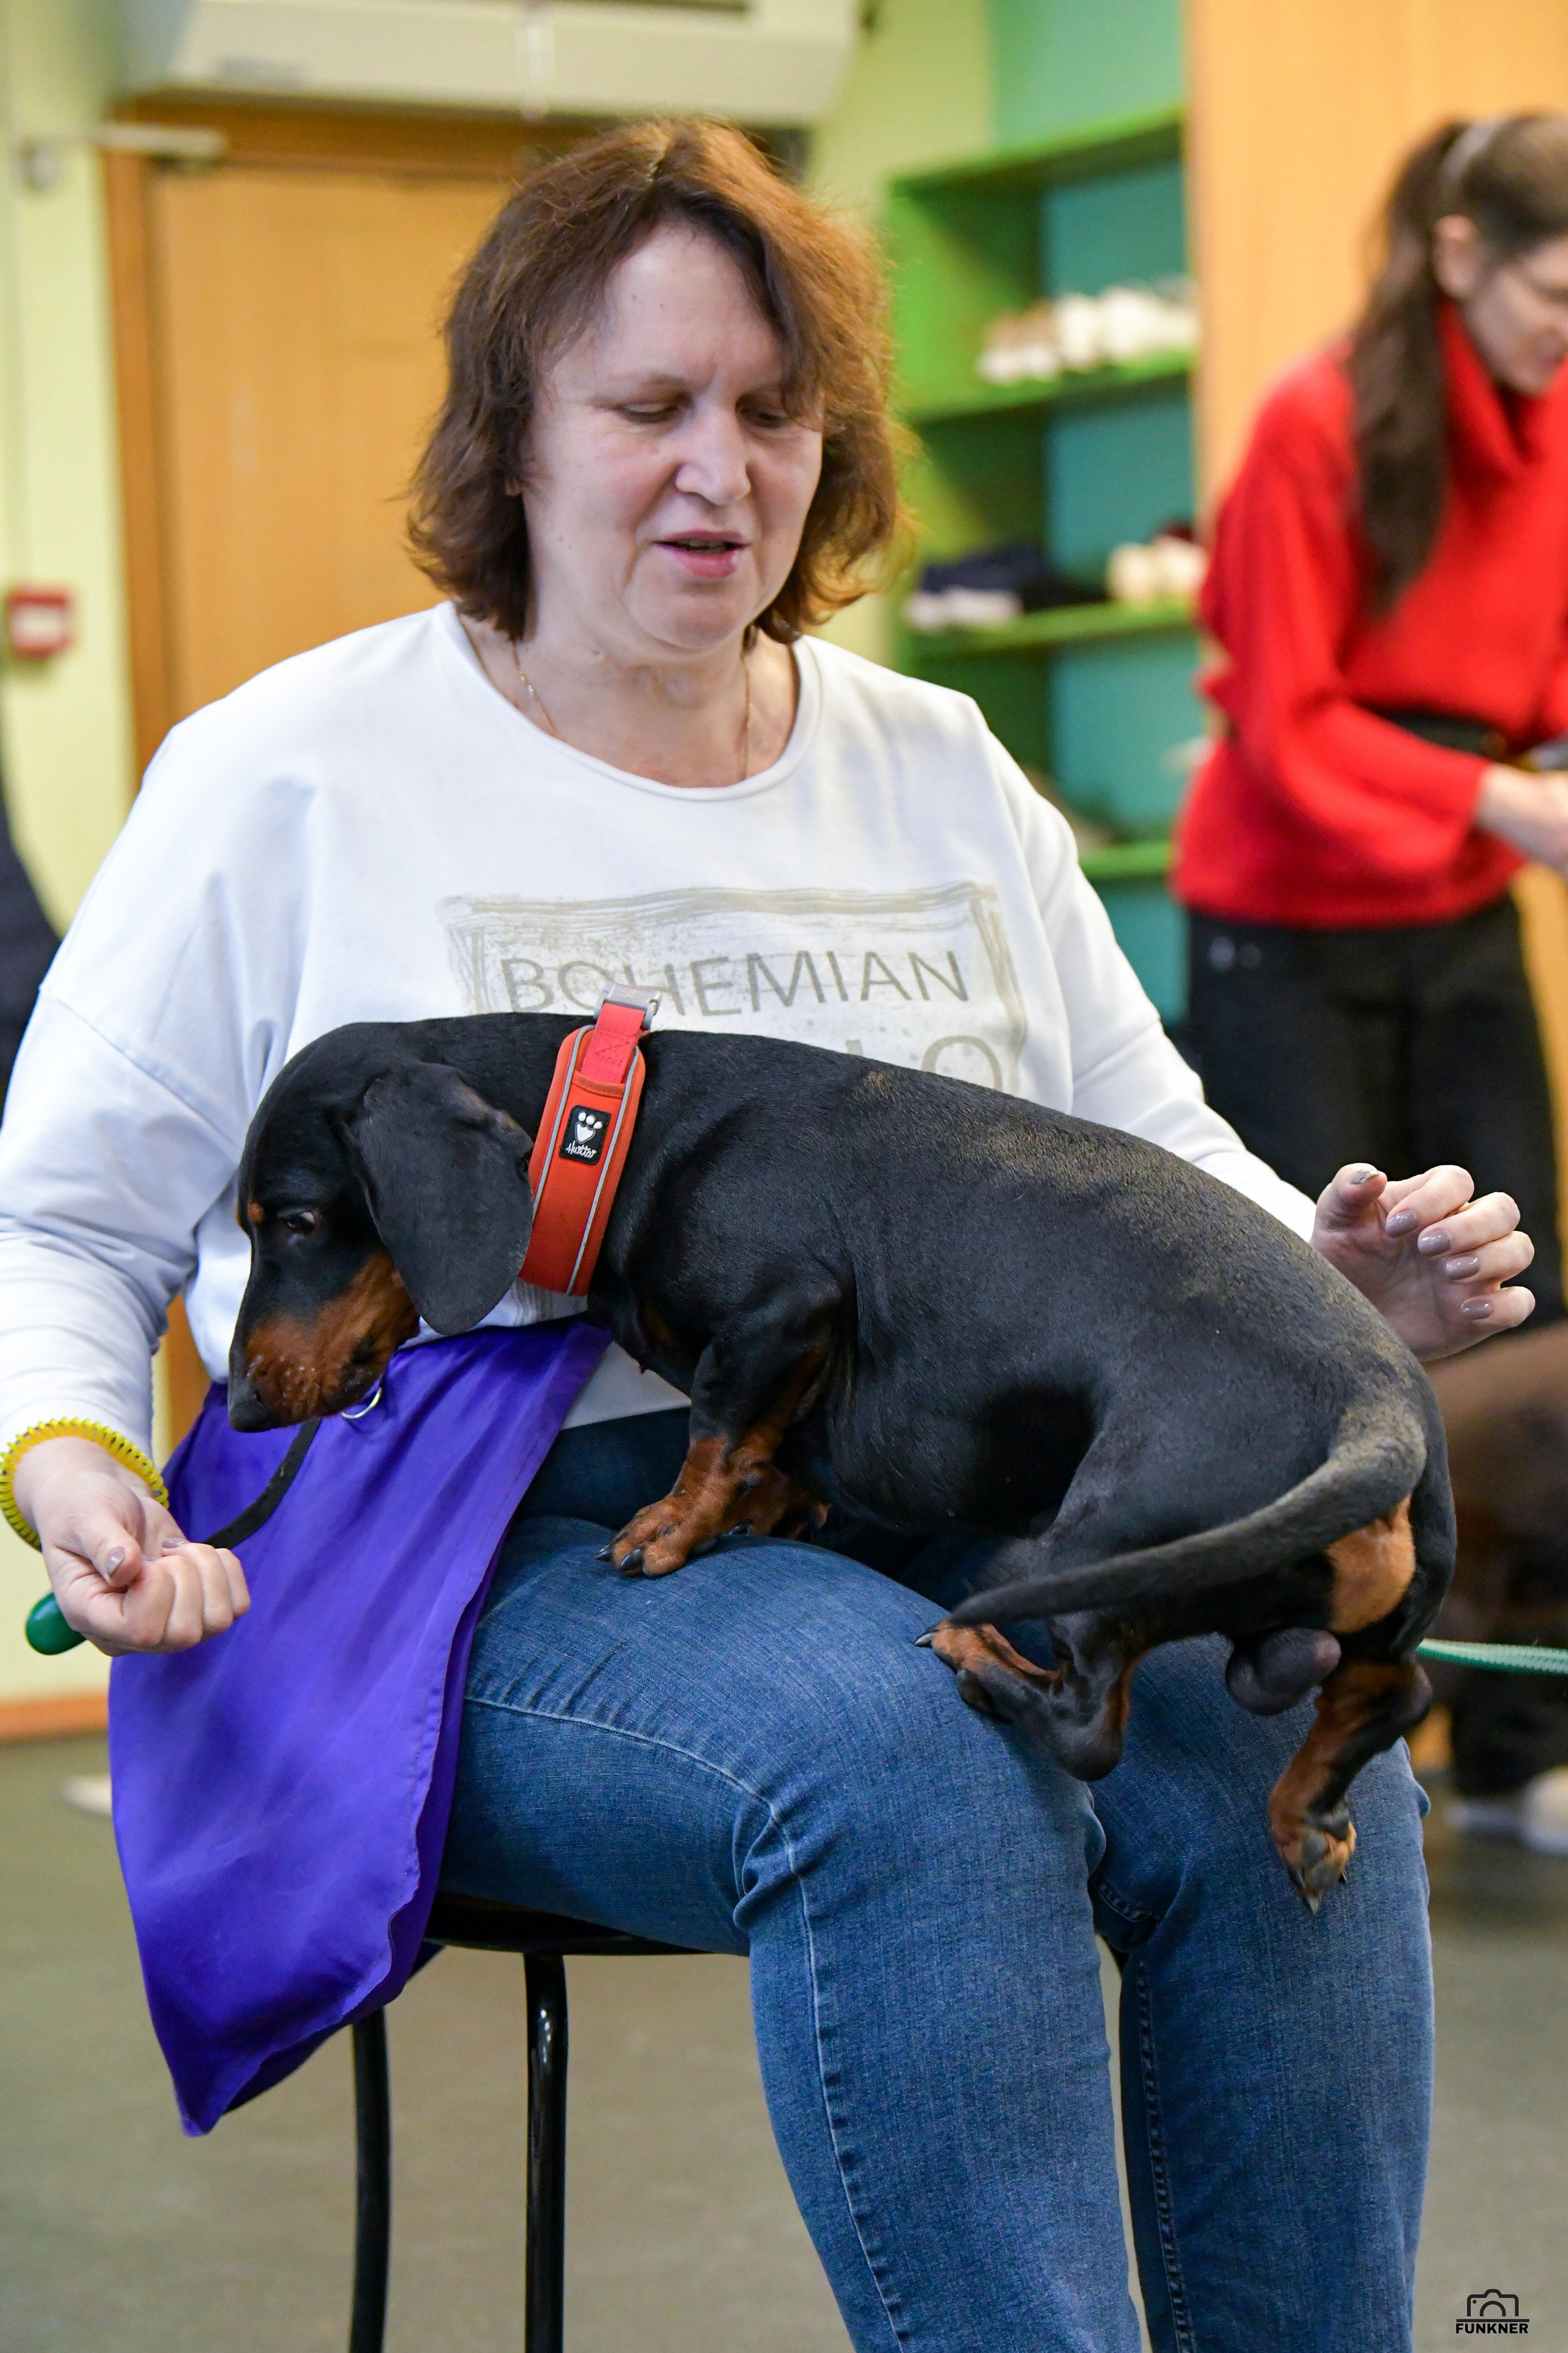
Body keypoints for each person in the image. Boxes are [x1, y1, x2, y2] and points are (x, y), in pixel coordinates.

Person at [0, 124, 1536, 2352]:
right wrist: (72, 1463)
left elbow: (1145, 1147)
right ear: (513, 439)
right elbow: (58, 1212)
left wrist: (1325, 1268)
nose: (719, 468)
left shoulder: (938, 769)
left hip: (931, 1492)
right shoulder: (287, 775)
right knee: (904, 1758)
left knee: (1242, 1708)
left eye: (773, 409)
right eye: (646, 409)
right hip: (481, 1554)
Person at [1177, 113, 1568, 1849]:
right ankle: (1287, 1714)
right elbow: (1289, 714)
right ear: (1464, 255)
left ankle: (1510, 1745)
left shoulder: (1554, 425)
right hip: (1288, 921)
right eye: (1558, 291)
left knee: (1527, 1323)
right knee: (1311, 1334)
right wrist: (1499, 792)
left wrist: (1534, 768)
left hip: (1463, 909)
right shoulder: (1308, 425)